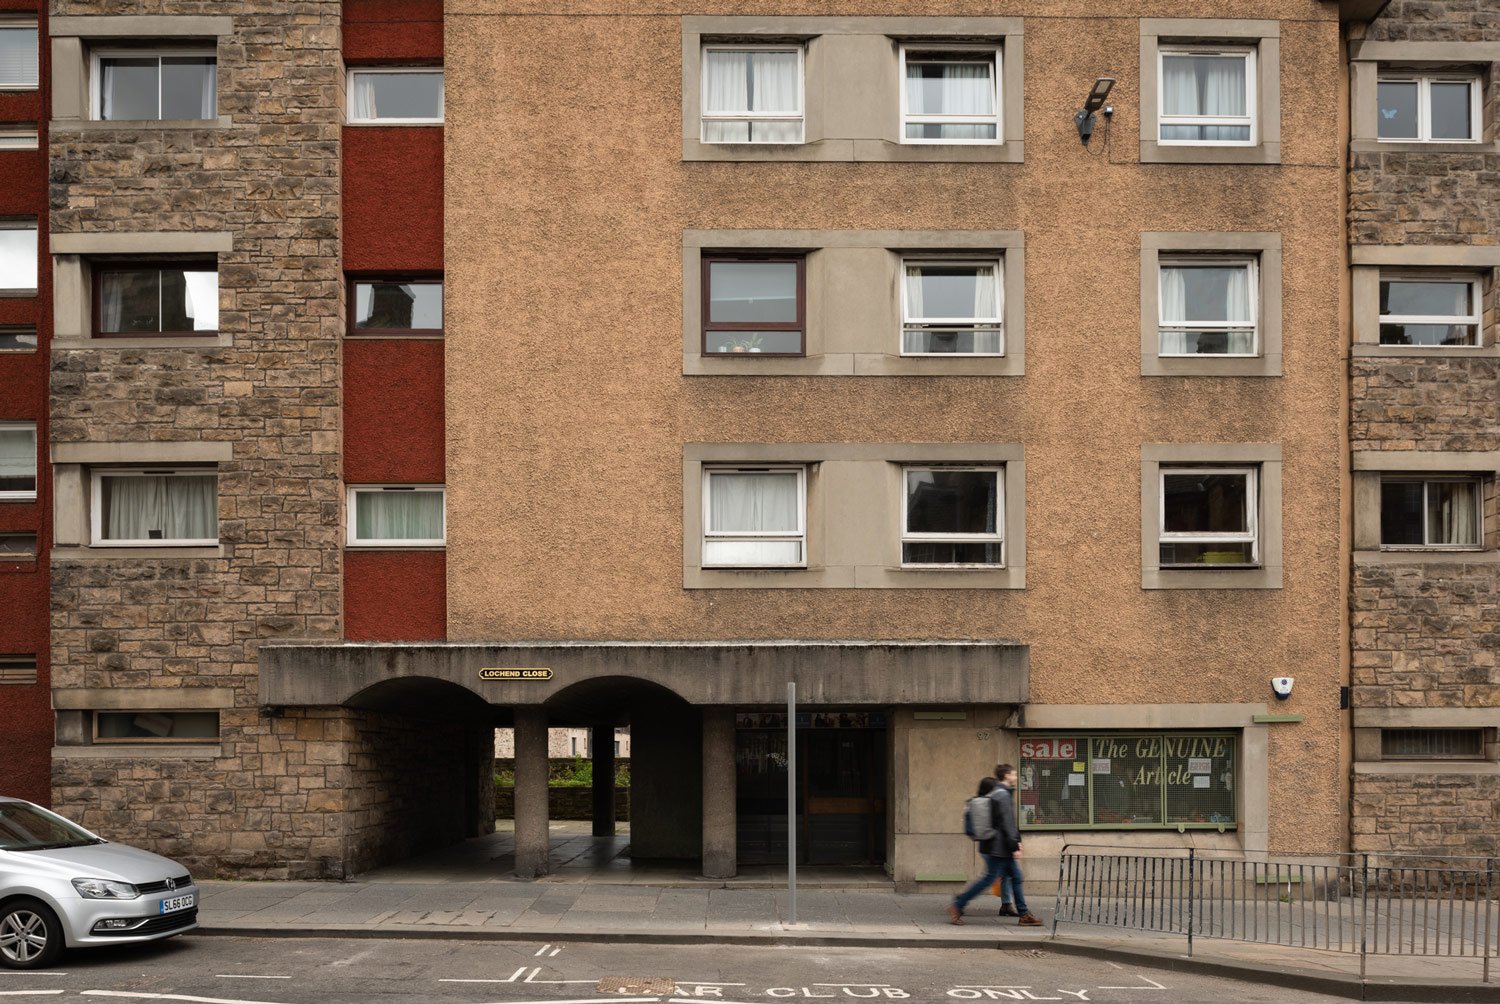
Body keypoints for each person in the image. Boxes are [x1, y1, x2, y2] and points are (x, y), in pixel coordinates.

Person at [990, 763, 1042, 926]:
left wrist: (1015, 842)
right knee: (989, 879)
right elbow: (1007, 823)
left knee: (1011, 877)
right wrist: (1014, 845)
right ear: (1006, 776)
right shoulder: (1002, 794)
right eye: (1013, 774)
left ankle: (1018, 910)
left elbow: (1009, 823)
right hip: (1003, 846)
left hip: (1002, 845)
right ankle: (959, 904)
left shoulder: (1002, 793)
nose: (1016, 777)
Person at [948, 777, 1002, 924]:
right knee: (990, 878)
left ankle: (1013, 907)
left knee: (1002, 875)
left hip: (985, 844)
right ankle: (959, 903)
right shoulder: (989, 803)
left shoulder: (973, 802)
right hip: (994, 845)